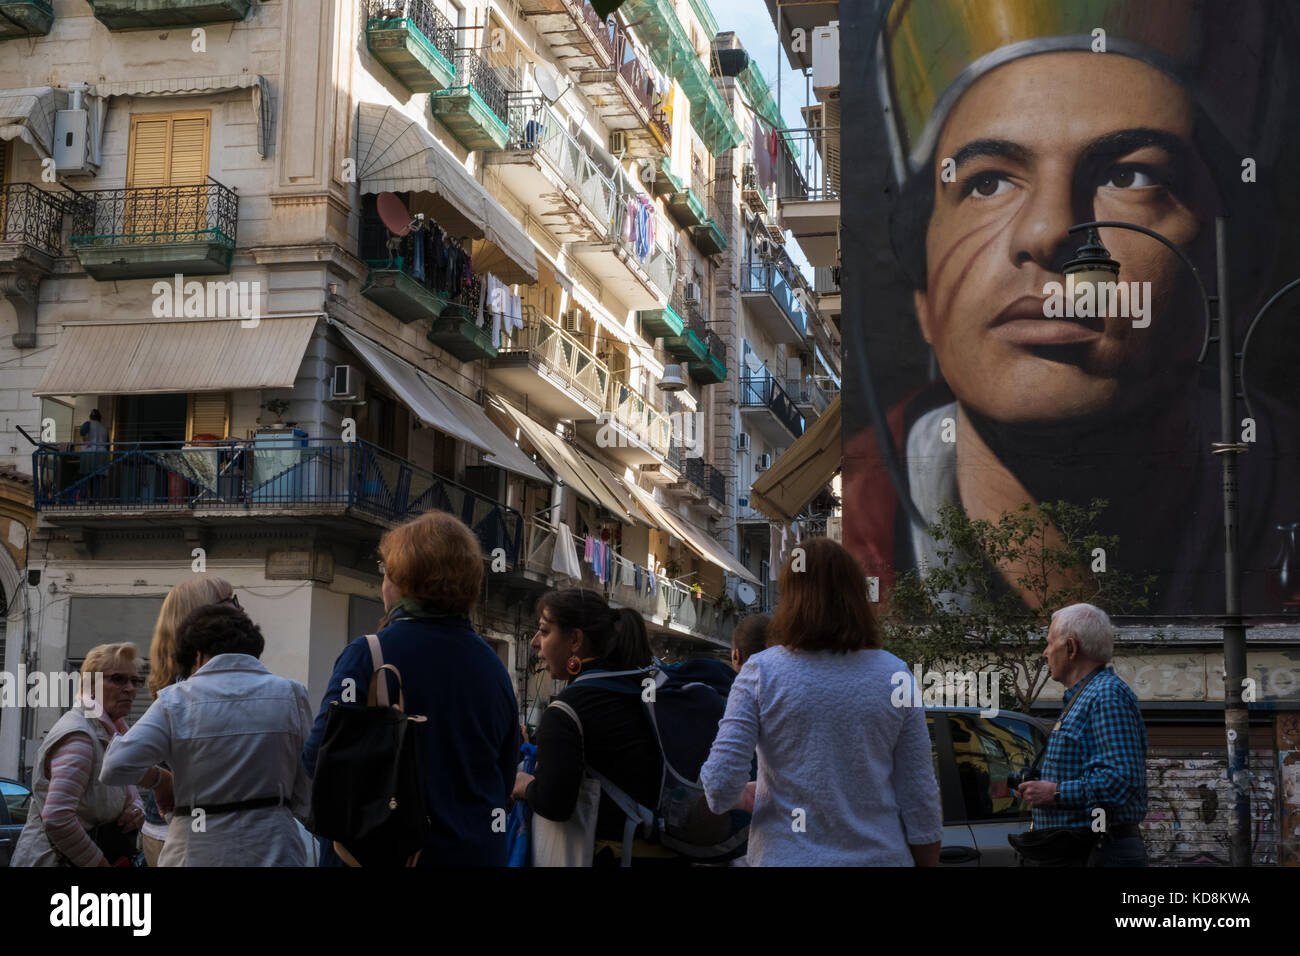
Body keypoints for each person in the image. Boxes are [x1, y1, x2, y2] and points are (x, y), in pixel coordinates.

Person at [843, 1, 1300, 617]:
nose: (1050, 228)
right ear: (923, 293)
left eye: (1130, 175)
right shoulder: (853, 550)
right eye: (987, 182)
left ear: (1236, 271)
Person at [700, 538, 943, 866]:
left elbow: (718, 787)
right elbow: (921, 801)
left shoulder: (761, 672)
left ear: (791, 599)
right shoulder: (895, 674)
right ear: (856, 596)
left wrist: (752, 793)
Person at [303, 511, 519, 866]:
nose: (382, 583)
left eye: (385, 571)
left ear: (405, 582)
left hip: (385, 855)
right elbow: (503, 777)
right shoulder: (493, 666)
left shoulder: (368, 655)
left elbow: (317, 759)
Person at [101, 604, 313, 865]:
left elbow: (114, 767)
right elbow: (306, 782)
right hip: (275, 845)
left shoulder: (175, 700)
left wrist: (159, 779)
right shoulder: (291, 693)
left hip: (195, 850)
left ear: (198, 655)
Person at [512, 587, 670, 866]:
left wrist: (524, 785)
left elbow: (555, 803)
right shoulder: (635, 687)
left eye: (545, 631)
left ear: (575, 640)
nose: (536, 642)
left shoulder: (567, 709)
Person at [1015, 603, 1148, 866]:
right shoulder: (1086, 696)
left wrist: (1055, 793)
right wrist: (1042, 785)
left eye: (1050, 642)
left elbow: (1121, 779)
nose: (1045, 652)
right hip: (1084, 851)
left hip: (1099, 853)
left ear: (1071, 648)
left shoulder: (1106, 696)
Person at [11, 643, 158, 867]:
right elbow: (58, 818)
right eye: (118, 679)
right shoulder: (80, 737)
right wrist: (98, 863)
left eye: (134, 681)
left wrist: (136, 809)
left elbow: (129, 794)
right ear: (91, 686)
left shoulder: (112, 734)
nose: (130, 688)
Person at [134, 576, 238, 865]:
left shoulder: (184, 687)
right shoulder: (191, 691)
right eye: (230, 602)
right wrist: (159, 779)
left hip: (179, 832)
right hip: (186, 838)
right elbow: (119, 761)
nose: (240, 609)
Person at [78, 409, 109, 497]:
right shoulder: (104, 428)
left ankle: (83, 499)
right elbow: (108, 444)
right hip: (101, 455)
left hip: (88, 454)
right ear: (100, 418)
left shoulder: (88, 424)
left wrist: (85, 440)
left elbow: (82, 432)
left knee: (85, 477)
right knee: (98, 478)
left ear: (91, 417)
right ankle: (96, 500)